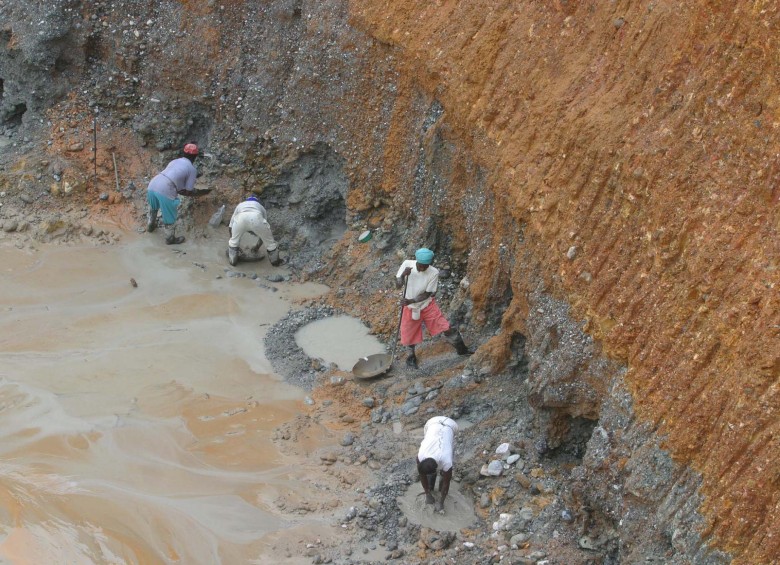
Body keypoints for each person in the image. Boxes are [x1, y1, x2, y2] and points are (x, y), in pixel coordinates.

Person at [396, 247, 471, 368]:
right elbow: (398, 285)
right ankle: (411, 358)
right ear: (416, 261)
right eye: (420, 265)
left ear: (430, 264)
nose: (422, 268)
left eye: (425, 266)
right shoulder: (407, 264)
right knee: (408, 333)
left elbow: (427, 293)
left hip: (426, 305)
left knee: (445, 327)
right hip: (410, 307)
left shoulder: (433, 272)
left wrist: (411, 300)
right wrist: (403, 276)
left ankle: (462, 349)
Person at [146, 143, 208, 244]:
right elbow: (188, 190)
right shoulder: (192, 169)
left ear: (183, 152)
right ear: (195, 156)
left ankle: (150, 225)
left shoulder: (174, 161)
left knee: (153, 208)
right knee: (169, 215)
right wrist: (199, 192)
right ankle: (170, 239)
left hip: (153, 184)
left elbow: (175, 175)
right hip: (166, 188)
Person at [417, 416, 459, 513]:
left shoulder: (446, 460)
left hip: (451, 426)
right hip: (432, 423)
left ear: (436, 469)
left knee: (444, 476)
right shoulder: (421, 455)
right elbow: (421, 474)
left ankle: (439, 486)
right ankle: (430, 487)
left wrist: (441, 503)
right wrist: (427, 494)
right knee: (429, 480)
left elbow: (447, 482)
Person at [227, 195, 283, 266]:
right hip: (256, 218)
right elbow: (264, 232)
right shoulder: (261, 207)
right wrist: (256, 248)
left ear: (247, 201)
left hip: (240, 219)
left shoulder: (240, 205)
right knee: (270, 243)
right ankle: (275, 262)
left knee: (233, 242)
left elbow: (230, 227)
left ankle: (232, 262)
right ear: (257, 201)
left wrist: (233, 241)